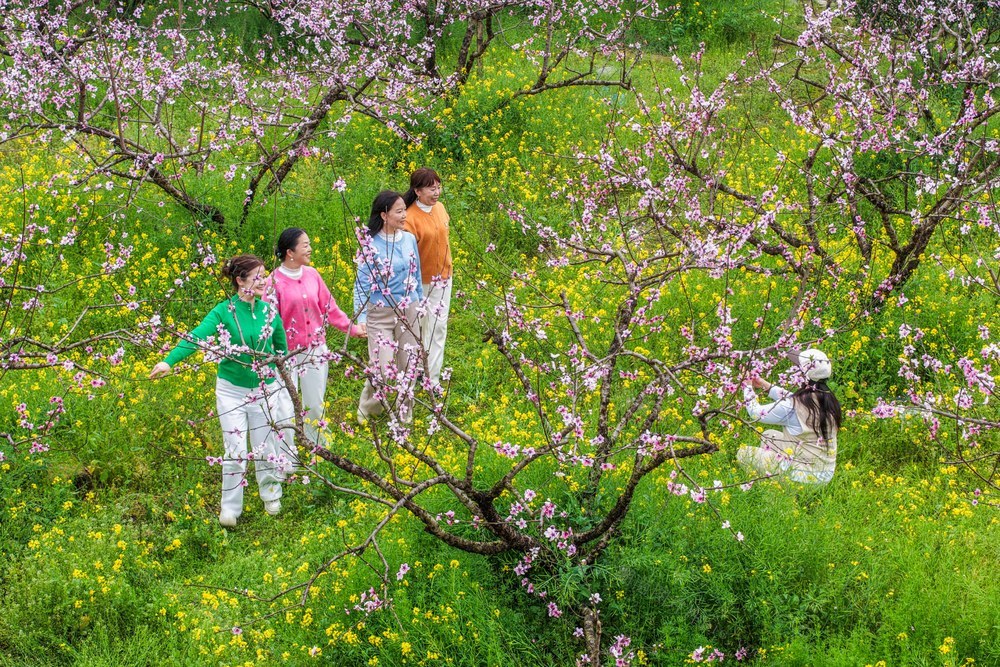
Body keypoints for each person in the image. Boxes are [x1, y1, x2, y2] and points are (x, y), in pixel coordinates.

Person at [150, 254, 292, 527]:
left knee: (265, 445)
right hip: (231, 392)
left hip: (264, 390)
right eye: (257, 277)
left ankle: (271, 493)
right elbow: (197, 336)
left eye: (265, 276)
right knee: (236, 448)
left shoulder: (270, 312)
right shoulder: (223, 311)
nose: (264, 282)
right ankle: (230, 508)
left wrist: (278, 381)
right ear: (240, 281)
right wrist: (168, 362)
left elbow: (281, 351)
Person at [267, 228, 366, 456]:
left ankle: (319, 446)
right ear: (290, 252)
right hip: (286, 355)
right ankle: (286, 454)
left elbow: (329, 308)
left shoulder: (312, 275)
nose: (310, 249)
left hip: (315, 349)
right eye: (305, 245)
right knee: (284, 403)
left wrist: (351, 328)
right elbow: (269, 323)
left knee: (315, 400)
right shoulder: (273, 282)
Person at [354, 190, 424, 424]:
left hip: (409, 309)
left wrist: (420, 302)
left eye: (405, 209)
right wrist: (361, 317)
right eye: (399, 211)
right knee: (382, 367)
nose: (405, 215)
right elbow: (361, 283)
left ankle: (405, 414)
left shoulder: (409, 239)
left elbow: (416, 273)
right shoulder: (369, 244)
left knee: (408, 364)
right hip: (379, 313)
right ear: (384, 215)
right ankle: (369, 409)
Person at [738, 348, 841, 484]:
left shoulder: (792, 407)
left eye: (797, 367)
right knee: (769, 436)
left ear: (803, 374)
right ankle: (771, 481)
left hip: (804, 476)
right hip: (824, 473)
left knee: (743, 453)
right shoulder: (828, 398)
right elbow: (792, 399)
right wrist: (765, 385)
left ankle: (772, 488)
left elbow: (755, 413)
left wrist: (747, 387)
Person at [402, 167, 452, 391]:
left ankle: (433, 380)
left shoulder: (440, 208)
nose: (437, 192)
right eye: (431, 188)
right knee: (420, 328)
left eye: (438, 187)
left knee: (438, 328)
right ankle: (418, 371)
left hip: (444, 278)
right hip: (420, 283)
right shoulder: (409, 218)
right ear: (417, 191)